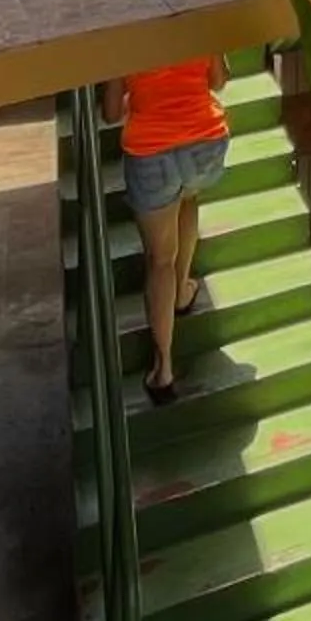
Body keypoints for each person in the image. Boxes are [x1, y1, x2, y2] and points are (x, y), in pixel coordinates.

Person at [104, 53, 230, 403]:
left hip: (152, 153)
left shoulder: (124, 36)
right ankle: (182, 291)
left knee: (160, 261)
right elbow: (218, 80)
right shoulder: (197, 20)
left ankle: (163, 370)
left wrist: (138, 97)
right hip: (206, 143)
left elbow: (111, 113)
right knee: (188, 196)